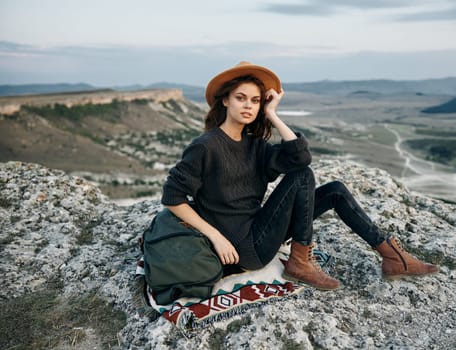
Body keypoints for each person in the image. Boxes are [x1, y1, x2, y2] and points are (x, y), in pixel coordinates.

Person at [161, 61, 439, 290]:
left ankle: (392, 256)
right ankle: (300, 263)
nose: (248, 106)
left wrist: (273, 114)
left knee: (335, 190)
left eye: (255, 101)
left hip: (261, 228)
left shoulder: (255, 146)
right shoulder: (205, 146)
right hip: (243, 246)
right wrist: (215, 237)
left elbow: (299, 157)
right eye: (240, 98)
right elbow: (172, 196)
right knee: (303, 176)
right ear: (225, 101)